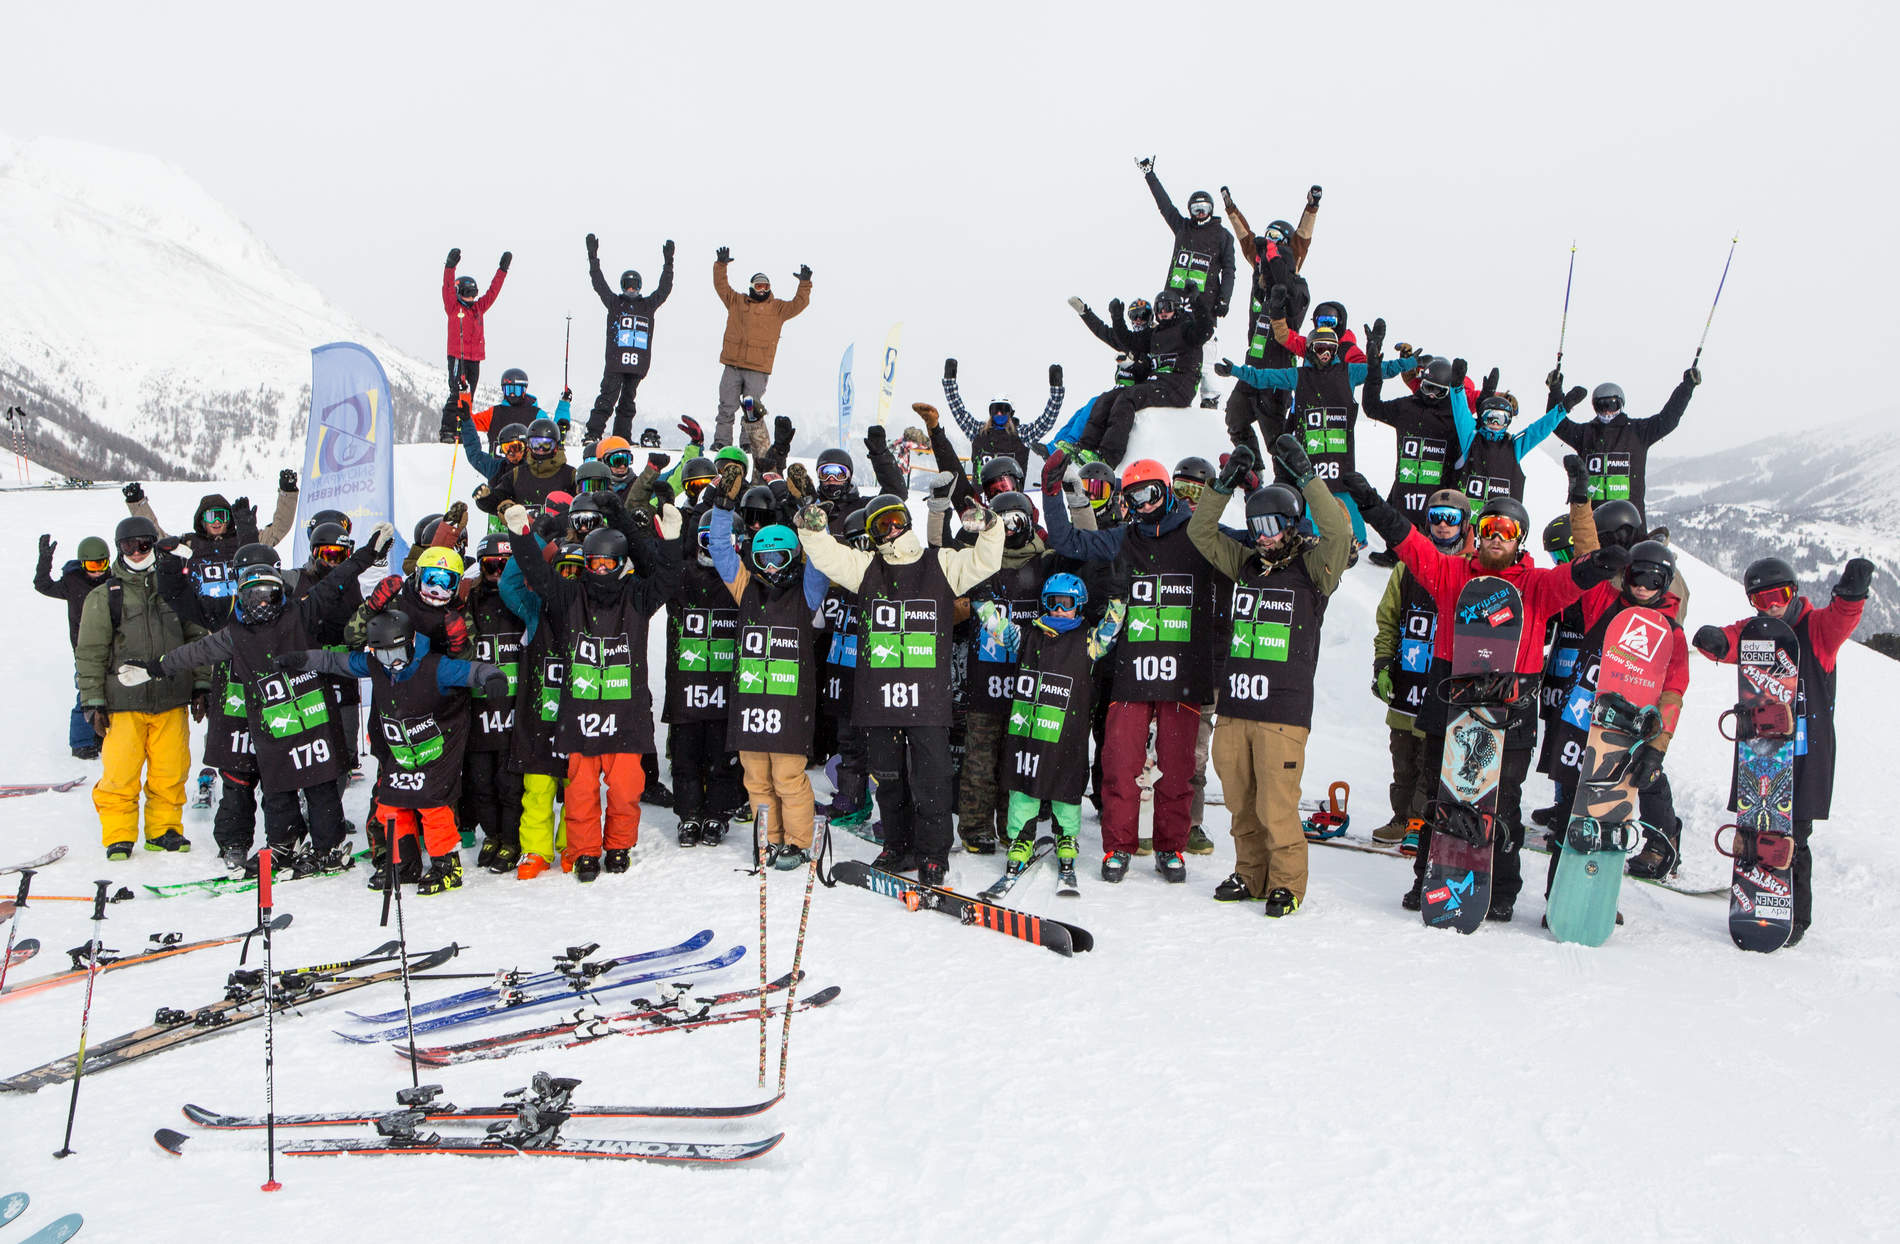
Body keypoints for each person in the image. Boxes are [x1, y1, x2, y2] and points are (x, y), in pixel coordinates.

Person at [1337, 456, 1624, 921]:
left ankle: (1502, 887)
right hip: (1452, 693)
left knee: (1502, 800)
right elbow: (1411, 545)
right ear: (1478, 529)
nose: (1495, 535)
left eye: (1507, 530)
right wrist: (1370, 504)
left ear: (1519, 540)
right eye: (1489, 525)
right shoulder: (1451, 575)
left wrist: (1598, 560)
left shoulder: (1537, 586)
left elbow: (1575, 579)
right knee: (1443, 793)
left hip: (1512, 703)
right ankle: (1430, 877)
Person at [116, 526, 392, 877]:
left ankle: (329, 846)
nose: (261, 602)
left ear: (280, 594)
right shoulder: (235, 635)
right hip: (272, 724)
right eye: (252, 595)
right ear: (241, 596)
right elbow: (193, 652)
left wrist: (368, 553)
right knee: (277, 786)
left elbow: (337, 578)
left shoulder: (300, 615)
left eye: (268, 594)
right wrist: (155, 668)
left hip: (313, 720)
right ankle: (283, 842)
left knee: (320, 784)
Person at [796, 492, 1005, 887]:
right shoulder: (865, 567)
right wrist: (811, 530)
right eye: (881, 525)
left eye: (895, 520)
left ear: (907, 520)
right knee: (889, 779)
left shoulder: (940, 563)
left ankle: (932, 853)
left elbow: (984, 560)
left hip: (927, 702)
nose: (891, 530)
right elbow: (828, 556)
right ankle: (898, 844)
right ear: (873, 534)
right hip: (880, 701)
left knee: (932, 780)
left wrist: (991, 527)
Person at [1038, 450, 1226, 884]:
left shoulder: (1197, 535)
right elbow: (1068, 541)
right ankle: (1119, 847)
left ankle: (1170, 846)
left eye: (1150, 495)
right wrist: (1052, 492)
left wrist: (1248, 492)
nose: (1143, 505)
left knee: (1177, 769)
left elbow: (1246, 545)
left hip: (1182, 672)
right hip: (1133, 671)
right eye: (1134, 498)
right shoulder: (1124, 537)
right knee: (1121, 762)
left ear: (1166, 491)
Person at [1188, 438, 1352, 915]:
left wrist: (1307, 478)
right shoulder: (1246, 565)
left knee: (1277, 807)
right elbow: (1202, 533)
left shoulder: (1313, 570)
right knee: (1240, 801)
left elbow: (1339, 536)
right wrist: (1220, 488)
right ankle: (1248, 873)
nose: (1261, 535)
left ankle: (1286, 883)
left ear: (1291, 524)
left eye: (1270, 525)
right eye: (1254, 525)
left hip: (1282, 710)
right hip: (1236, 706)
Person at [1691, 554, 1874, 945]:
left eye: (1779, 594)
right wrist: (1715, 641)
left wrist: (1851, 596)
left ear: (1794, 592)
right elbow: (1730, 641)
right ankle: (1755, 898)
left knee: (1795, 837)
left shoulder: (1816, 630)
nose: (1772, 604)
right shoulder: (1757, 632)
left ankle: (1797, 916)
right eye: (1760, 599)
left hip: (1806, 755)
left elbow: (1841, 620)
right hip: (1762, 754)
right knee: (1756, 829)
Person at [504, 500, 681, 881]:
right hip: (581, 715)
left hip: (626, 716)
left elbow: (668, 580)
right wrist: (520, 536)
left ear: (621, 565)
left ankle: (617, 846)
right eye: (594, 563)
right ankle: (583, 851)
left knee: (625, 789)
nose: (600, 571)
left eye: (608, 564)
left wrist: (670, 542)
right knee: (580, 792)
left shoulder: (637, 597)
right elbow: (538, 571)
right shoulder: (570, 596)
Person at [285, 609, 507, 895]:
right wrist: (301, 659)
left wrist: (493, 677)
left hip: (437, 748)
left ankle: (447, 866)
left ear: (412, 642)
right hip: (402, 751)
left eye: (399, 653)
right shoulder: (377, 665)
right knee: (391, 805)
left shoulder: (436, 666)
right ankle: (405, 864)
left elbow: (473, 670)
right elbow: (335, 661)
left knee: (432, 804)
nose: (395, 663)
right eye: (385, 656)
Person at [1543, 538, 1688, 897]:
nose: (1642, 586)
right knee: (1568, 814)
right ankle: (1558, 894)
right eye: (1636, 575)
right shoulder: (1602, 602)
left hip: (1625, 736)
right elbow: (1585, 564)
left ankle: (1596, 895)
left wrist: (1656, 748)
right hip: (1580, 724)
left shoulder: (1671, 632)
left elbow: (1672, 694)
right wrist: (1581, 502)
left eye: (1654, 580)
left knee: (1609, 817)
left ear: (1665, 583)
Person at [74, 516, 212, 859]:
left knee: (171, 770)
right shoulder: (104, 596)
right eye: (127, 547)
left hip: (171, 698)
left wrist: (201, 684)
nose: (136, 553)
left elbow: (196, 638)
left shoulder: (176, 589)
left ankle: (164, 829)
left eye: (143, 546)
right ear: (118, 549)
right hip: (123, 701)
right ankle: (119, 834)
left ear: (153, 545)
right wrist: (92, 700)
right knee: (121, 774)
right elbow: (90, 653)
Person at [982, 573, 1126, 889]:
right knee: (1024, 784)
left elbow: (1112, 627)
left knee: (1067, 784)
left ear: (1079, 606)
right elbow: (995, 626)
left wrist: (1117, 596)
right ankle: (1021, 838)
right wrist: (981, 595)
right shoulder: (1028, 636)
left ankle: (1067, 837)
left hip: (1068, 731)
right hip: (1029, 730)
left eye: (1067, 603)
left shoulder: (1089, 640)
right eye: (1053, 603)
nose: (1060, 610)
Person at [707, 512, 830, 868]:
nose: (773, 567)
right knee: (756, 778)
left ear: (794, 557)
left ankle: (798, 842)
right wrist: (722, 508)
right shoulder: (746, 587)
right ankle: (770, 840)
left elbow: (821, 559)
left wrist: (810, 514)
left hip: (790, 702)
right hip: (751, 701)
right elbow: (719, 548)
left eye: (780, 558)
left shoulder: (806, 591)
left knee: (788, 778)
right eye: (765, 560)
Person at [957, 488, 1061, 853]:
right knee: (980, 759)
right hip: (985, 680)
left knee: (1019, 759)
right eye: (1004, 524)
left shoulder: (1046, 562)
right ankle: (975, 828)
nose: (1012, 530)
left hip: (1028, 681)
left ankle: (1014, 826)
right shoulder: (980, 562)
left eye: (1018, 521)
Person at [1371, 489, 1470, 849]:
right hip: (1409, 673)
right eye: (1436, 517)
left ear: (1464, 523)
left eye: (1451, 518)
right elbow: (1388, 618)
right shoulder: (1407, 566)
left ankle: (1422, 821)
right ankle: (1401, 817)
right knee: (1403, 753)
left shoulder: (1470, 569)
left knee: (1435, 755)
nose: (1443, 525)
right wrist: (1383, 663)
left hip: (1444, 678)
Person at [1214, 316, 1416, 486]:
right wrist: (1235, 371)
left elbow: (1383, 370)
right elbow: (1264, 377)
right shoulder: (1299, 375)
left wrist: (1412, 362)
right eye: (1321, 348)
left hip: (1340, 456)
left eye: (1331, 349)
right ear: (1310, 349)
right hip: (1309, 449)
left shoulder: (1349, 372)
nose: (1326, 354)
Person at [663, 509, 744, 848]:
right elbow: (657, 572)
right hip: (687, 688)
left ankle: (718, 813)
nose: (713, 549)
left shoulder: (742, 579)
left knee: (723, 756)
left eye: (722, 541)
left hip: (727, 689)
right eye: (707, 540)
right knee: (686, 757)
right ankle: (689, 814)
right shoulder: (682, 574)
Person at [1072, 292, 1214, 466]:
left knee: (1127, 398)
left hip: (1178, 386)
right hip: (1157, 384)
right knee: (1108, 398)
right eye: (1159, 308)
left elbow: (1206, 329)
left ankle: (1108, 457)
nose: (1163, 312)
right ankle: (1086, 447)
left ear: (1176, 308)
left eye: (1167, 307)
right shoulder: (1155, 334)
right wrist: (1117, 317)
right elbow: (1126, 340)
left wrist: (1197, 301)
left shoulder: (1186, 329)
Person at [122, 477, 300, 615]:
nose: (216, 522)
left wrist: (287, 493)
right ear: (201, 520)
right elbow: (159, 538)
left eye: (221, 516)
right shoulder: (190, 545)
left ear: (229, 519)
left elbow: (278, 529)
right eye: (210, 517)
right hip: (203, 618)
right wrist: (138, 504)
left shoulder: (245, 541)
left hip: (244, 614)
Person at [462, 533, 530, 873]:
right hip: (478, 707)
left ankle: (512, 837)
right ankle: (492, 835)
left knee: (509, 783)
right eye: (491, 566)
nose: (498, 573)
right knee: (481, 782)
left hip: (513, 706)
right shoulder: (470, 601)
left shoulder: (520, 599)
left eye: (505, 565)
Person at [1551, 366, 1700, 520]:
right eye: (1602, 406)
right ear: (1595, 407)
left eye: (1612, 405)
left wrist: (1687, 386)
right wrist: (1555, 390)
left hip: (1631, 526)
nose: (1607, 411)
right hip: (1593, 526)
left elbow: (1668, 419)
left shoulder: (1638, 431)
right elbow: (1557, 424)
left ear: (1621, 404)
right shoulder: (1585, 434)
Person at [711, 249, 811, 450]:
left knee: (751, 410)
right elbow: (721, 286)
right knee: (726, 407)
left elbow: (799, 304)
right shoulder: (736, 301)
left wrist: (804, 284)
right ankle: (721, 443)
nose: (762, 290)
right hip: (733, 364)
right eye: (758, 285)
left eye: (766, 286)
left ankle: (748, 445)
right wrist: (720, 265)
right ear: (751, 287)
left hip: (758, 368)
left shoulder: (778, 308)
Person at [585, 233, 675, 442]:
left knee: (627, 403)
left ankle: (621, 438)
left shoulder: (647, 305)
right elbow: (599, 284)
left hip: (636, 364)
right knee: (606, 399)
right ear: (623, 286)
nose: (631, 289)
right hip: (616, 362)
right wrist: (593, 258)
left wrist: (668, 264)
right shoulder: (615, 303)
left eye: (635, 286)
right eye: (628, 285)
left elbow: (664, 290)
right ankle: (593, 433)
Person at [1450, 366, 1586, 504]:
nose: (1496, 423)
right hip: (1469, 521)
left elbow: (1537, 430)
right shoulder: (1471, 439)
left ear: (1508, 421)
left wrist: (1563, 409)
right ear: (1482, 418)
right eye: (1491, 417)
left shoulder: (1514, 446)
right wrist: (1456, 388)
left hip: (1501, 522)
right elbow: (1461, 414)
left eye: (1501, 418)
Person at [37, 531, 113, 759]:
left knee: (111, 693)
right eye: (91, 565)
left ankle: (103, 735)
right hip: (84, 650)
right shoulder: (72, 582)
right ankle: (81, 741)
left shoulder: (115, 581)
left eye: (102, 564)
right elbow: (42, 585)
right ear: (82, 564)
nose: (97, 570)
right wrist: (44, 561)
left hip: (113, 646)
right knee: (85, 694)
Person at [1135, 156, 1235, 317]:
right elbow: (1165, 206)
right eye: (1196, 209)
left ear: (1211, 209)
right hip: (1174, 303)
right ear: (1190, 210)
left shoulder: (1223, 235)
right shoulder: (1183, 228)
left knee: (1201, 340)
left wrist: (1224, 299)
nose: (1201, 213)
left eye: (1204, 208)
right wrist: (1150, 175)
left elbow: (1229, 270)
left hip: (1204, 304)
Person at [941, 358, 1066, 485]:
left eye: (1003, 409)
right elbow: (958, 412)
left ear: (1011, 413)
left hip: (1011, 501)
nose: (999, 413)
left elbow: (1046, 421)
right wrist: (949, 382)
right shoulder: (978, 432)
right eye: (995, 409)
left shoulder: (1022, 435)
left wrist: (1056, 392)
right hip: (980, 502)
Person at [440, 246, 511, 440]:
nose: (471, 298)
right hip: (458, 357)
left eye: (474, 293)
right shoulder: (452, 307)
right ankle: (447, 429)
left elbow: (493, 292)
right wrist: (450, 266)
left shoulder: (479, 308)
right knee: (457, 392)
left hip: (475, 358)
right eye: (467, 293)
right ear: (458, 292)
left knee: (468, 396)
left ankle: (462, 429)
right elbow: (447, 287)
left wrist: (502, 271)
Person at [476, 418, 578, 518]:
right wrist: (486, 498)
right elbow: (498, 500)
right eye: (535, 444)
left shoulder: (570, 475)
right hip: (524, 533)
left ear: (555, 446)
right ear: (529, 445)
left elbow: (582, 503)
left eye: (546, 445)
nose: (540, 450)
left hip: (560, 533)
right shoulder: (517, 475)